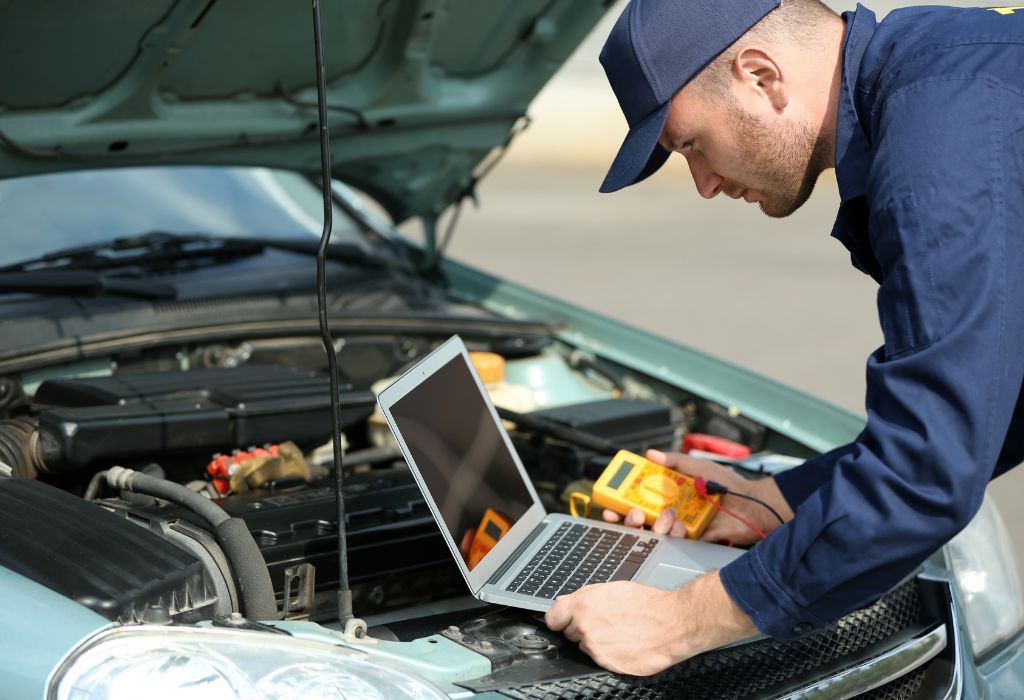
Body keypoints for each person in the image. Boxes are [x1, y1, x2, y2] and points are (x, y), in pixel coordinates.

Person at [545, 0, 1024, 676]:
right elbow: (999, 400)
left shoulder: (939, 148)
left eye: (689, 144)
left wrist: (678, 622)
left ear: (762, 76)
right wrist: (778, 500)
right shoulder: (940, 67)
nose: (705, 184)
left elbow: (927, 475)